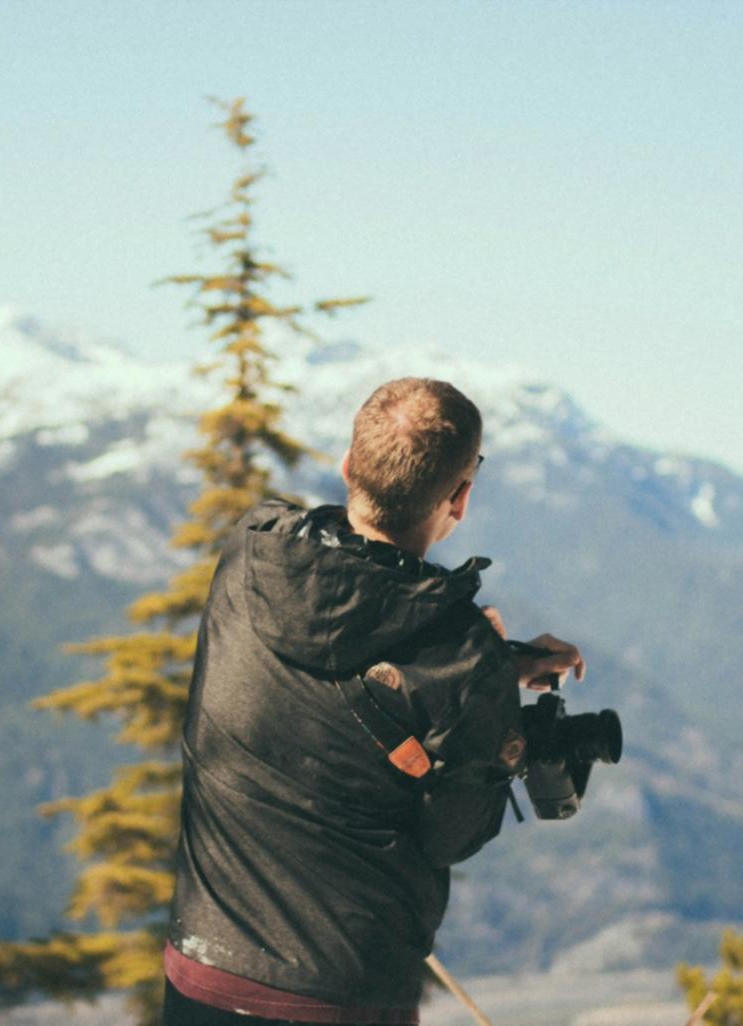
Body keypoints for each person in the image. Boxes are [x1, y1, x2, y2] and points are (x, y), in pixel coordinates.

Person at [164, 377, 585, 1025]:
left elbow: (340, 640)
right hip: (346, 993)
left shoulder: (251, 550)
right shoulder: (461, 653)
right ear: (460, 499)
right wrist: (490, 696)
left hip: (202, 973)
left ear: (347, 466)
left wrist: (493, 666)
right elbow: (454, 834)